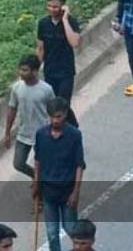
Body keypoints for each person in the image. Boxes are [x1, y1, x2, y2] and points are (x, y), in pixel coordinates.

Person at [31, 97, 86, 251]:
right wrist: (36, 183)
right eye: (52, 116)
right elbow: (38, 161)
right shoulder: (41, 135)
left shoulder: (74, 135)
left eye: (59, 116)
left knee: (71, 229)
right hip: (48, 192)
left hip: (67, 192)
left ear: (65, 114)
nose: (55, 120)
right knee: (52, 233)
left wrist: (76, 192)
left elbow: (79, 165)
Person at [2, 55, 55, 177]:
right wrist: (7, 133)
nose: (21, 73)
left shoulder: (46, 90)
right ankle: (37, 178)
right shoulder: (17, 88)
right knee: (18, 164)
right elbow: (12, 109)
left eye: (25, 70)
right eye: (20, 69)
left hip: (42, 135)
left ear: (35, 71)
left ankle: (43, 185)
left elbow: (54, 112)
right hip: (23, 134)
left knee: (43, 164)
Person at [36, 0, 82, 127]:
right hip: (50, 71)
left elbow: (74, 43)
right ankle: (71, 128)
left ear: (62, 6)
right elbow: (40, 49)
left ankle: (71, 131)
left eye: (55, 7)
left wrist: (65, 20)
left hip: (66, 72)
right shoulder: (43, 23)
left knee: (62, 104)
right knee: (53, 105)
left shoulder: (71, 22)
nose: (52, 9)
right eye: (49, 6)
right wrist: (35, 69)